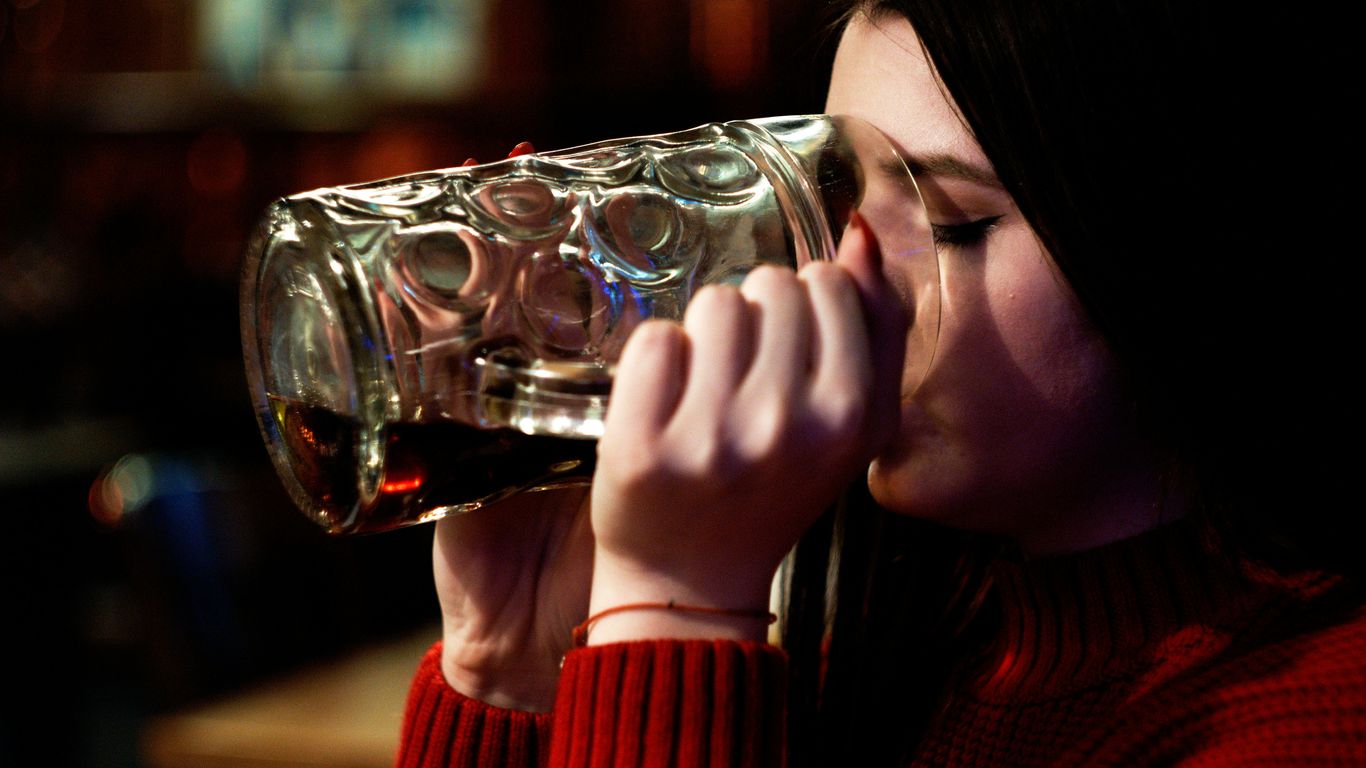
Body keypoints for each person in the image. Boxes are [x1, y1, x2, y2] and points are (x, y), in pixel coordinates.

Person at [397, 0, 1364, 765]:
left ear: (1181, 248)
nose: (841, 275)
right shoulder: (903, 656)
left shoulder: (1313, 714)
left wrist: (673, 603)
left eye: (951, 223)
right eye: (839, 200)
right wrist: (511, 660)